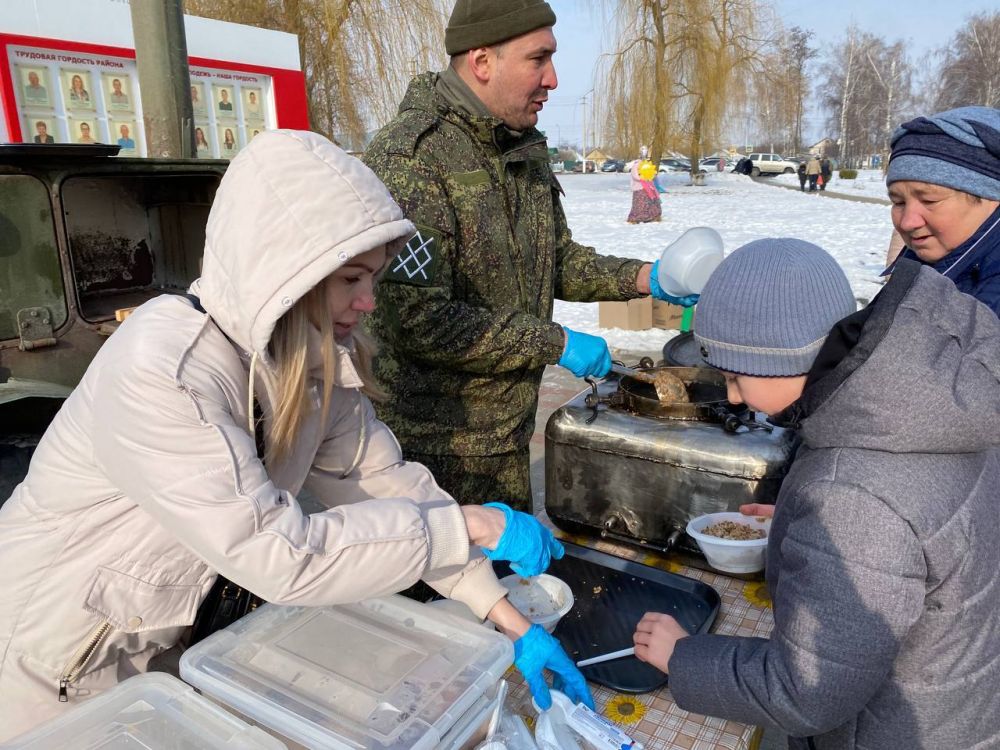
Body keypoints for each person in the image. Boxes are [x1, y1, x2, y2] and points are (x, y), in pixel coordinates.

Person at [0, 130, 592, 741]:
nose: (368, 303)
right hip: (48, 658)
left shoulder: (308, 363)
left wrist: (503, 616)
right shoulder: (165, 374)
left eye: (374, 280)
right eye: (351, 279)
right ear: (285, 271)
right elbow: (279, 554)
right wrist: (471, 524)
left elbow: (381, 485)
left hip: (152, 638)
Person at [633, 238, 1000, 749]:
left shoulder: (854, 500)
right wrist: (804, 524)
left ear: (787, 357)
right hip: (955, 703)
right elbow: (919, 533)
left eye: (736, 376)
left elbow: (806, 693)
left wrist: (681, 657)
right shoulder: (929, 402)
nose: (734, 396)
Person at [363, 0, 695, 512]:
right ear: (482, 62)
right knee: (446, 590)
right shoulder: (411, 160)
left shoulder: (519, 147)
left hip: (508, 434)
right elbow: (419, 320)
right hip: (433, 450)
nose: (554, 79)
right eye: (538, 59)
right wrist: (555, 341)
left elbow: (554, 260)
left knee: (515, 585)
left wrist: (646, 276)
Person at [882, 105, 1000, 317]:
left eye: (929, 200)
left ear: (992, 197)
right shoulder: (922, 266)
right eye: (898, 202)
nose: (908, 222)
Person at [627, 145, 661, 223]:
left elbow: (651, 173)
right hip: (639, 187)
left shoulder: (648, 164)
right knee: (640, 203)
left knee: (652, 201)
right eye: (643, 152)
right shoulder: (636, 165)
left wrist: (652, 175)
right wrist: (642, 178)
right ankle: (637, 218)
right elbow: (635, 175)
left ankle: (653, 216)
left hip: (649, 187)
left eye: (645, 152)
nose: (644, 154)